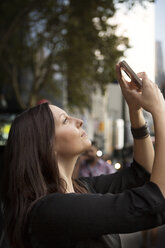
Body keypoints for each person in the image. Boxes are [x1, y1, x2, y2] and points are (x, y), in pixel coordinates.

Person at [1, 64, 165, 248]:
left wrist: (135, 110)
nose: (78, 121)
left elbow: (141, 173)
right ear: (45, 145)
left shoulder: (79, 188)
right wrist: (160, 111)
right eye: (65, 120)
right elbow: (155, 203)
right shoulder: (50, 211)